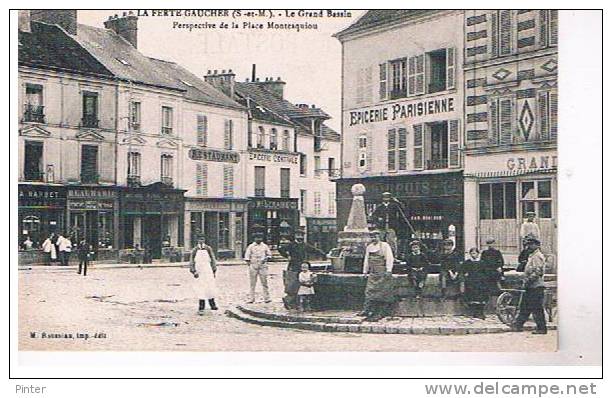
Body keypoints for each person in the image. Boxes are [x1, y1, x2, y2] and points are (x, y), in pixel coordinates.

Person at [278, 229, 326, 310]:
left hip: (303, 266)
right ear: (295, 236)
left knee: (302, 284)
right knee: (293, 284)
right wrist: (287, 256)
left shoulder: (305, 245)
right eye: (298, 235)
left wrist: (323, 254)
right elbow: (281, 249)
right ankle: (288, 301)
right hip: (293, 266)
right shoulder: (291, 245)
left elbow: (314, 250)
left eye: (301, 235)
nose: (300, 237)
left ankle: (297, 302)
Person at [512, 236, 548, 334]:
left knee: (536, 308)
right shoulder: (532, 255)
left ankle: (541, 328)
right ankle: (518, 325)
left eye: (531, 244)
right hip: (531, 286)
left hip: (536, 286)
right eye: (528, 244)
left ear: (537, 245)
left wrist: (527, 281)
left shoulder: (537, 256)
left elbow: (537, 272)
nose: (529, 246)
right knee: (525, 306)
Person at [361, 229, 396, 322]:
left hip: (382, 273)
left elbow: (389, 258)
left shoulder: (384, 246)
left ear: (379, 237)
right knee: (370, 291)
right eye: (372, 237)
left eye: (375, 236)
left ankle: (380, 312)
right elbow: (366, 260)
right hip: (373, 273)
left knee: (382, 293)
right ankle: (367, 310)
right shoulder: (369, 247)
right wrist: (365, 271)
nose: (373, 238)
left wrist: (389, 270)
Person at [189, 234, 218, 314]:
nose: (201, 241)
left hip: (207, 269)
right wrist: (193, 271)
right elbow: (191, 261)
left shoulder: (208, 249)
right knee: (200, 287)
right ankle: (201, 305)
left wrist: (214, 270)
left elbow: (213, 259)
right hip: (199, 270)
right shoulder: (195, 250)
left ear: (204, 240)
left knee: (210, 286)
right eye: (199, 239)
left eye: (202, 239)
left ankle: (212, 303)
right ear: (197, 240)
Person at [244, 233, 272, 304]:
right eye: (257, 238)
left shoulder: (265, 246)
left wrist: (265, 259)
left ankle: (267, 298)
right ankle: (251, 298)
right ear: (254, 238)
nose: (258, 239)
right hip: (253, 266)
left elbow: (269, 255)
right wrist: (250, 264)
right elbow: (247, 256)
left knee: (264, 282)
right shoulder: (251, 246)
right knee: (252, 283)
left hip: (263, 266)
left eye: (260, 238)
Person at [462, 247, 488, 319]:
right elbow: (463, 271)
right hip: (471, 282)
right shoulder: (467, 262)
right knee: (472, 296)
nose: (473, 255)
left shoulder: (482, 262)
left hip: (480, 282)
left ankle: (480, 312)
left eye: (475, 253)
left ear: (478, 254)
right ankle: (474, 312)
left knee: (481, 297)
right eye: (472, 253)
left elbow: (485, 272)